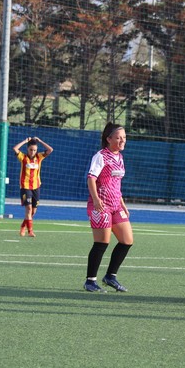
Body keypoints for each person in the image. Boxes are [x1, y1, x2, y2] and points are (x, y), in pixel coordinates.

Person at [83, 123, 133, 292]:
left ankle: (110, 276)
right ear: (108, 139)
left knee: (127, 240)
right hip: (101, 205)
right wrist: (96, 200)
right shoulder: (101, 156)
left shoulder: (120, 157)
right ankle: (90, 280)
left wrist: (123, 204)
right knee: (102, 242)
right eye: (118, 138)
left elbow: (116, 184)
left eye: (124, 137)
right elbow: (91, 178)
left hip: (116, 204)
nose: (122, 141)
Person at [12, 136, 54, 237]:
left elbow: (50, 150)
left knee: (33, 211)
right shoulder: (23, 157)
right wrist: (25, 141)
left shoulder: (39, 157)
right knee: (29, 209)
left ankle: (23, 226)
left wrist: (40, 140)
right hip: (25, 187)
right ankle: (30, 231)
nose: (32, 152)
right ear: (27, 149)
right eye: (31, 150)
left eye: (35, 150)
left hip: (36, 187)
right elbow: (15, 149)